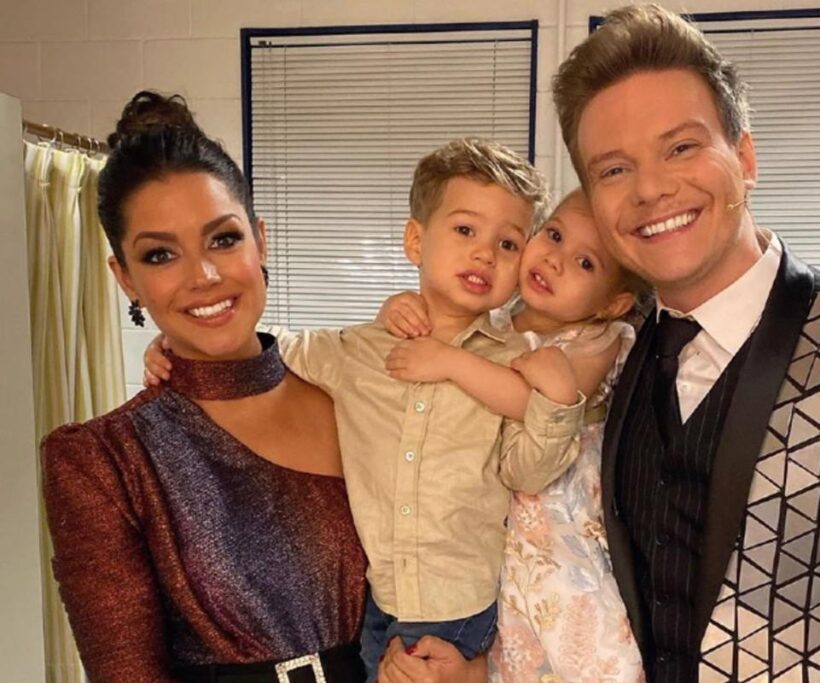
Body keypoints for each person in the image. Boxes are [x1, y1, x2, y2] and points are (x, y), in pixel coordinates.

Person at [550, 4, 820, 681]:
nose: (650, 188)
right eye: (613, 170)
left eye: (681, 147)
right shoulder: (615, 347)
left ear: (745, 157)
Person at [145, 138, 588, 683]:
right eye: (465, 230)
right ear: (415, 241)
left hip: (465, 608)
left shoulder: (514, 365)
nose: (484, 254)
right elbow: (268, 345)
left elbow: (530, 471)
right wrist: (177, 346)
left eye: (508, 243)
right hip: (377, 605)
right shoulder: (356, 350)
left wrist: (558, 403)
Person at [41, 91, 367, 682]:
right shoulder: (105, 460)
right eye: (160, 255)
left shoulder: (359, 395)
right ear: (125, 278)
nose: (204, 276)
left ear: (260, 240)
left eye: (223, 239)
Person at [377, 189, 648, 682]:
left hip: (556, 521)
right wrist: (400, 310)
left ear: (613, 304)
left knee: (571, 628)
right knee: (499, 636)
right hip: (489, 517)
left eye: (585, 263)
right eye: (554, 235)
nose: (555, 260)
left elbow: (538, 405)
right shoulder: (494, 319)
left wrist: (451, 362)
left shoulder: (598, 340)